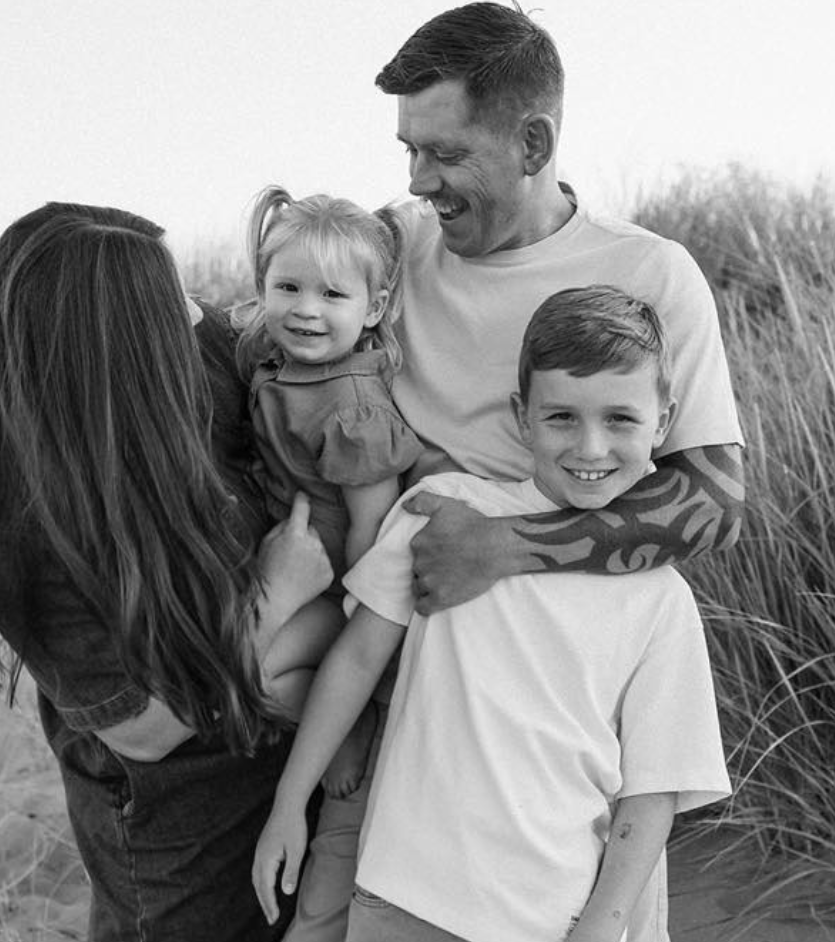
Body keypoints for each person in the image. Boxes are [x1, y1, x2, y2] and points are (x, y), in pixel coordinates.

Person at [286, 4, 745, 941]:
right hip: (389, 681)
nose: (419, 182)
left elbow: (714, 498)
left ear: (532, 141)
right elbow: (291, 312)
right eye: (409, 151)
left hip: (552, 718)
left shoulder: (649, 276)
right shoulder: (391, 251)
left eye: (446, 154)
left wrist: (506, 546)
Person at [254, 285, 732, 942]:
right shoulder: (442, 513)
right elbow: (358, 657)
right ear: (522, 415)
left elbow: (652, 790)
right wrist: (289, 801)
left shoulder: (658, 595)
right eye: (561, 417)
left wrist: (604, 925)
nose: (590, 448)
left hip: (550, 916)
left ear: (664, 420)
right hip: (401, 893)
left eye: (620, 418)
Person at [0, 202, 334, 942]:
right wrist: (274, 600)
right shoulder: (24, 528)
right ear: (117, 347)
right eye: (170, 305)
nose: (199, 315)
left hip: (291, 780)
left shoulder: (207, 356)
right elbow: (144, 732)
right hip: (177, 839)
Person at [237, 185, 423, 798]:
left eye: (333, 295)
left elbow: (373, 528)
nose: (306, 310)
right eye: (287, 288)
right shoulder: (282, 363)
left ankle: (352, 717)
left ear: (374, 307)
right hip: (291, 564)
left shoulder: (352, 406)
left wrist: (356, 624)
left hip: (340, 583)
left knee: (259, 674)